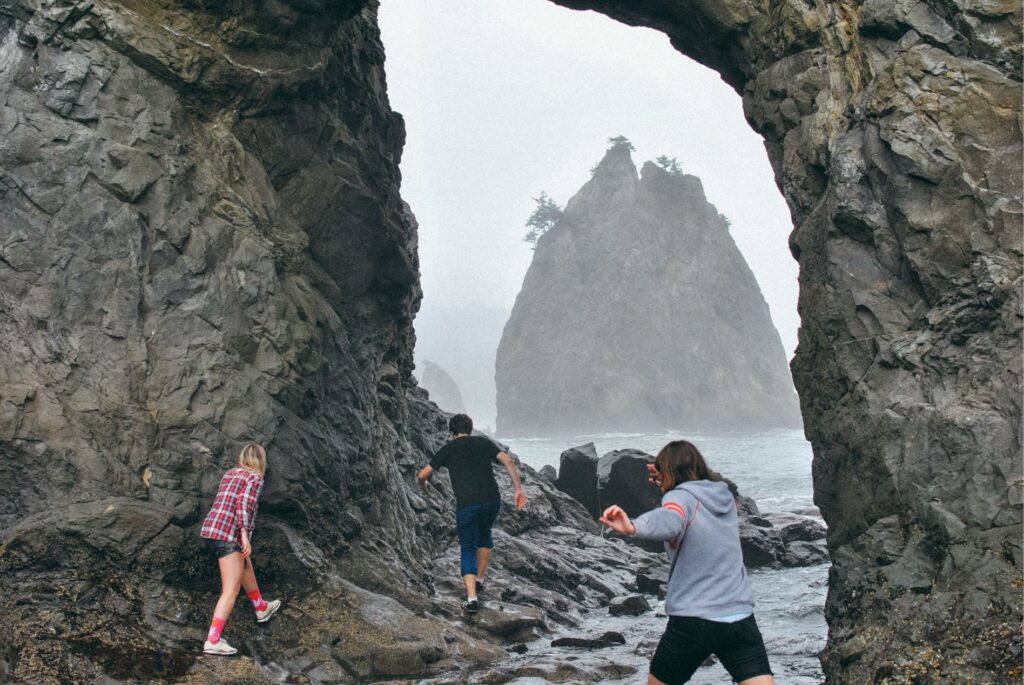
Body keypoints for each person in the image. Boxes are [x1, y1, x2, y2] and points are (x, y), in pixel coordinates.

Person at [599, 440, 774, 685]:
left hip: (694, 621)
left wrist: (633, 527)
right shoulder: (724, 497)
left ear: (668, 472)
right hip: (739, 617)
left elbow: (671, 518)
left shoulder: (679, 499)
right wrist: (665, 480)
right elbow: (688, 505)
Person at [417, 414, 527, 613]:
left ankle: (471, 599)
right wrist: (518, 489)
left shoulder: (448, 449)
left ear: (451, 432)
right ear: (470, 429)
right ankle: (480, 580)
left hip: (467, 504)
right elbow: (508, 461)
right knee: (485, 534)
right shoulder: (483, 443)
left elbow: (422, 475)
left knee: (467, 547)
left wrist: (425, 489)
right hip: (491, 500)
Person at [199, 443, 282, 655]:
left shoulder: (231, 474)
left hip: (211, 529)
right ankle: (213, 639)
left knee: (245, 563)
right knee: (231, 590)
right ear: (261, 461)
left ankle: (261, 607)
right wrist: (245, 534)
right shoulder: (254, 478)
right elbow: (243, 504)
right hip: (228, 534)